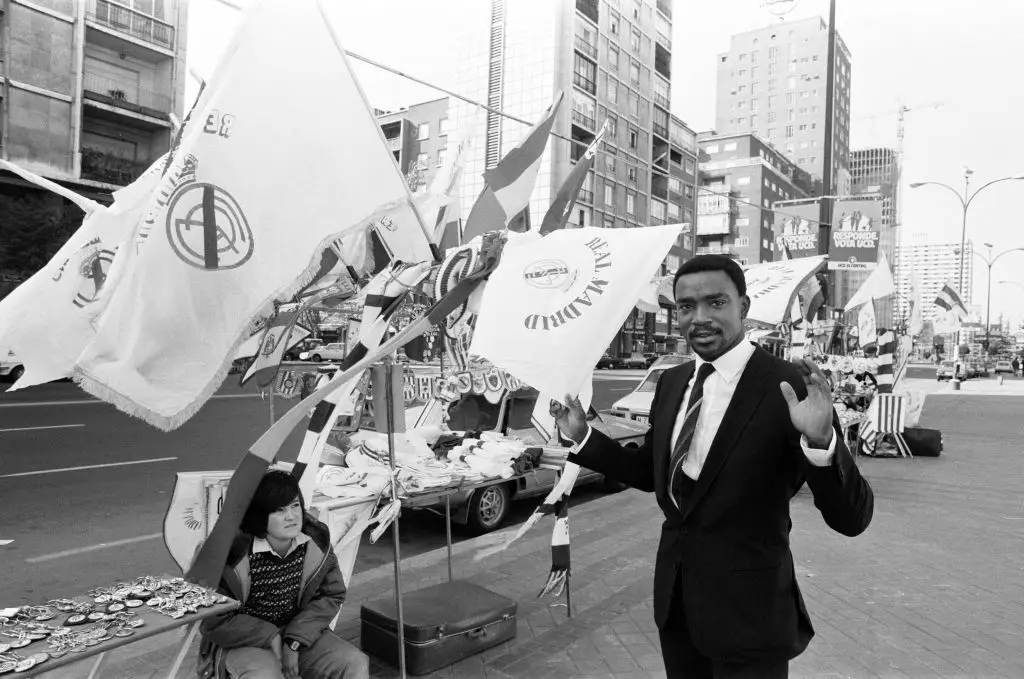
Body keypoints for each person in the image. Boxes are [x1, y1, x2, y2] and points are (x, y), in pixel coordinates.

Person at [551, 255, 874, 679]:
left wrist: (820, 441)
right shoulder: (671, 383)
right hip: (678, 603)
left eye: (715, 303)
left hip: (751, 615)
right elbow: (652, 472)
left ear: (743, 305)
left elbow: (852, 518)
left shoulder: (786, 387)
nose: (698, 318)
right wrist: (584, 437)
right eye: (686, 306)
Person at [196, 470, 369, 679]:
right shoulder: (230, 554)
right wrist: (270, 637)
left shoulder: (315, 541)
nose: (291, 516)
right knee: (266, 676)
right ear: (259, 515)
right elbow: (213, 619)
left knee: (353, 663)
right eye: (279, 510)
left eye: (295, 505)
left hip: (298, 630)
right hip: (243, 640)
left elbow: (331, 595)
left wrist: (294, 641)